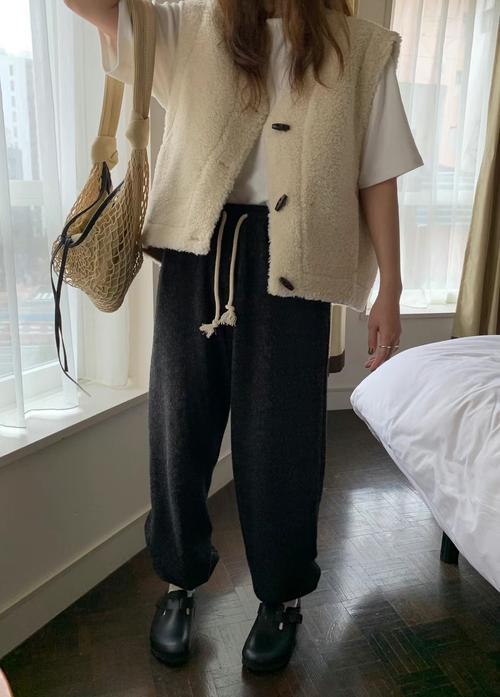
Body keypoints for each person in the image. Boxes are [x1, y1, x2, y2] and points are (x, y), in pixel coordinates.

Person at [64, 0, 423, 674]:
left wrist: (392, 291)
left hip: (295, 263)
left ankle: (281, 596)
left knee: (283, 443)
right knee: (178, 431)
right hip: (193, 253)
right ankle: (179, 580)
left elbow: (379, 174)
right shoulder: (189, 27)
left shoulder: (360, 50)